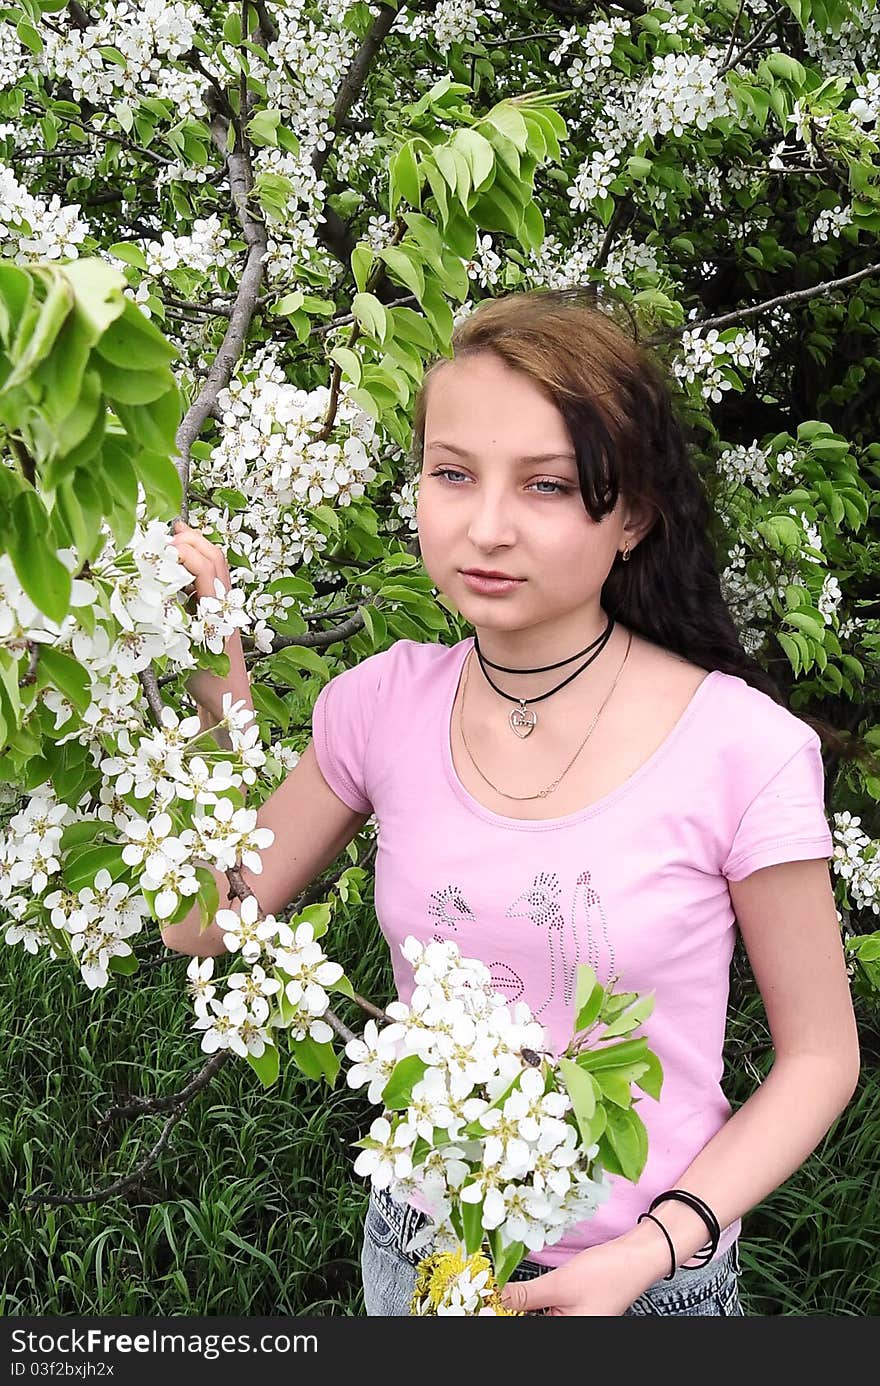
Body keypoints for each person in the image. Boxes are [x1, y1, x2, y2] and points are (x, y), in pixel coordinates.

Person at [164, 287, 862, 1317]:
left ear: (630, 514)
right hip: (421, 1258)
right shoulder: (382, 706)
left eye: (545, 485)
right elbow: (200, 926)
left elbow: (819, 1057)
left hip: (644, 1278)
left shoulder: (743, 750)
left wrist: (650, 1252)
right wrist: (211, 686)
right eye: (451, 474)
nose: (484, 526)